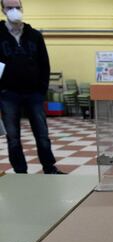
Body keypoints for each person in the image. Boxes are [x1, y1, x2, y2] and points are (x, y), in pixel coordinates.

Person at [0, 0, 64, 174]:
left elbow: (45, 64)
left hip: (34, 93)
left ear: (22, 9)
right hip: (8, 94)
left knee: (42, 134)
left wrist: (41, 90)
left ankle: (49, 168)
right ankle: (21, 172)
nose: (14, 11)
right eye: (9, 7)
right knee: (13, 137)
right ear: (3, 10)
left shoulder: (35, 35)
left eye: (17, 7)